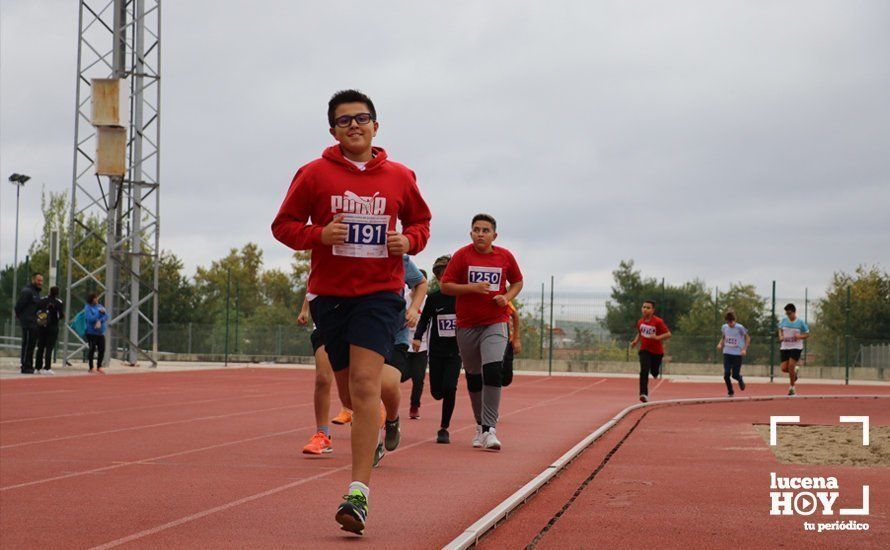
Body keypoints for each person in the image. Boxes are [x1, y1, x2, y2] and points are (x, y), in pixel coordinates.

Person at [271, 89, 431, 536]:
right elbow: (282, 225)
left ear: (376, 126)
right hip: (330, 296)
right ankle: (376, 426)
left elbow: (420, 222)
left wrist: (410, 242)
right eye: (344, 121)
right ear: (333, 130)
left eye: (362, 118)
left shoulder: (400, 176)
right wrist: (320, 235)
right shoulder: (314, 174)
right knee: (349, 396)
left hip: (379, 296)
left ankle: (357, 492)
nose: (354, 126)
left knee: (364, 385)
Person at [441, 214, 523, 451]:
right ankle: (479, 424)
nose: (480, 234)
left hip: (495, 322)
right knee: (474, 376)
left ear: (494, 235)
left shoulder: (505, 256)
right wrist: (472, 288)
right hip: (467, 325)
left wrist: (506, 297)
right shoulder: (462, 256)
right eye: (476, 229)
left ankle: (490, 428)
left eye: (485, 230)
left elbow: (518, 281)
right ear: (470, 233)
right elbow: (446, 285)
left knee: (493, 369)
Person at [372, 256, 427, 466]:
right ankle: (373, 445)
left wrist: (413, 309)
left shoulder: (400, 258)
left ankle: (392, 419)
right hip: (363, 333)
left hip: (396, 334)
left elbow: (421, 283)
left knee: (387, 384)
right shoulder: (351, 252)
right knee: (365, 391)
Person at [414, 255, 461, 443]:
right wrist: (417, 337)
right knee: (436, 392)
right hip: (436, 351)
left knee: (450, 387)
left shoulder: (462, 298)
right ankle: (438, 392)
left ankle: (444, 428)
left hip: (456, 351)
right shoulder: (433, 299)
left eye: (449, 273)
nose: (445, 277)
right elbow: (424, 319)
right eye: (442, 274)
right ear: (438, 277)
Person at [299, 295, 347, 455]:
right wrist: (305, 309)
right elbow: (313, 282)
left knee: (358, 382)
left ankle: (373, 432)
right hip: (324, 324)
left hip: (354, 321)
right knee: (322, 379)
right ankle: (322, 435)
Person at [630, 300, 671, 402]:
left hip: (657, 352)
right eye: (644, 307)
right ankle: (643, 394)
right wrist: (635, 342)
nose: (645, 309)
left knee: (654, 372)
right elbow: (640, 333)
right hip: (644, 350)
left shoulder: (658, 322)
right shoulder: (640, 322)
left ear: (653, 310)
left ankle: (655, 371)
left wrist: (657, 337)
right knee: (644, 370)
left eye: (648, 308)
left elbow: (668, 334)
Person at [407, 269, 429, 419]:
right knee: (399, 375)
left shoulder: (428, 300)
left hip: (423, 345)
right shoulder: (404, 299)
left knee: (418, 377)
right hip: (404, 343)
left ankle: (415, 406)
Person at [14, 273, 43, 374]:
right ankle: (25, 365)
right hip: (27, 322)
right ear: (33, 280)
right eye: (38, 280)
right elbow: (19, 306)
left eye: (41, 281)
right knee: (27, 344)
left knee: (31, 345)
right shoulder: (27, 292)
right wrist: (20, 316)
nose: (40, 283)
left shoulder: (36, 293)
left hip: (34, 322)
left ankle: (29, 365)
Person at [778, 303, 809, 396]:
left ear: (794, 312)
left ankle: (792, 388)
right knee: (784, 368)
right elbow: (780, 329)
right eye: (787, 313)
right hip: (785, 347)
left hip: (796, 347)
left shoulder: (800, 322)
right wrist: (781, 336)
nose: (788, 315)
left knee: (791, 365)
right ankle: (794, 373)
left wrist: (800, 336)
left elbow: (807, 334)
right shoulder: (783, 320)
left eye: (789, 313)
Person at [717, 311, 750, 396]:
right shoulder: (724, 327)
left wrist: (744, 349)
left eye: (731, 322)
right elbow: (724, 337)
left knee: (734, 375)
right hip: (727, 353)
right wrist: (720, 344)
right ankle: (730, 392)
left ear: (734, 320)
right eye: (728, 322)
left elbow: (747, 338)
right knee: (726, 374)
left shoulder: (740, 327)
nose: (730, 324)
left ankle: (740, 379)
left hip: (737, 354)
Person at [34, 286, 65, 375]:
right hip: (53, 327)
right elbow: (61, 316)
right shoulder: (59, 302)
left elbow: (36, 311)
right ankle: (47, 368)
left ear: (49, 291)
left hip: (42, 326)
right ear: (57, 293)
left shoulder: (42, 300)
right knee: (49, 348)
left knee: (40, 347)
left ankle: (37, 367)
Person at [84, 293, 108, 373]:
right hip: (91, 332)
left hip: (100, 332)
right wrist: (99, 313)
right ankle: (91, 367)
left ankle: (99, 366)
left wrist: (100, 320)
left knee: (102, 349)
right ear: (91, 299)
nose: (96, 299)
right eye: (95, 298)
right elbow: (90, 319)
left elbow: (106, 315)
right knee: (92, 349)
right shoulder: (88, 307)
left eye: (97, 298)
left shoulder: (100, 306)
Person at [501, 301, 521, 387]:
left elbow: (515, 315)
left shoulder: (503, 299)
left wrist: (516, 339)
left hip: (507, 341)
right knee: (491, 374)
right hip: (489, 341)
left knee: (506, 379)